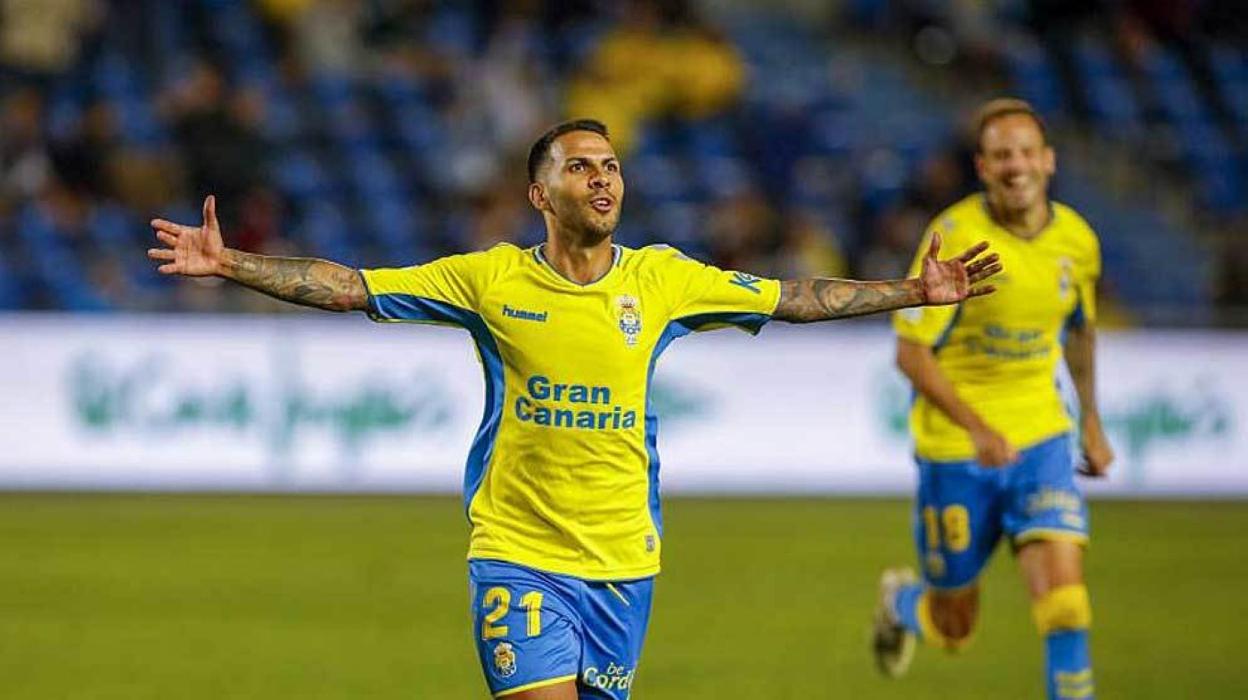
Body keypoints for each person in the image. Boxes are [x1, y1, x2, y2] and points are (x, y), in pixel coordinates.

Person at [149, 119, 1000, 700]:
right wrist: (235, 266)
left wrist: (911, 290)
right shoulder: (487, 279)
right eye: (580, 166)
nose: (602, 179)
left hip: (625, 560)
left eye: (612, 166)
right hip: (518, 555)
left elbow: (795, 298)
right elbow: (347, 287)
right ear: (539, 195)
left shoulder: (665, 279)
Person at [871, 99, 1114, 700]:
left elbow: (1079, 330)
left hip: (1040, 438)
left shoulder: (1078, 241)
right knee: (956, 629)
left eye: (1027, 152)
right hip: (957, 448)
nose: (1016, 166)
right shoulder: (953, 238)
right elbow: (911, 353)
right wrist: (977, 427)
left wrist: (1091, 420)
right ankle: (902, 605)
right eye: (1002, 154)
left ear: (1048, 160)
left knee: (1064, 604)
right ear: (982, 166)